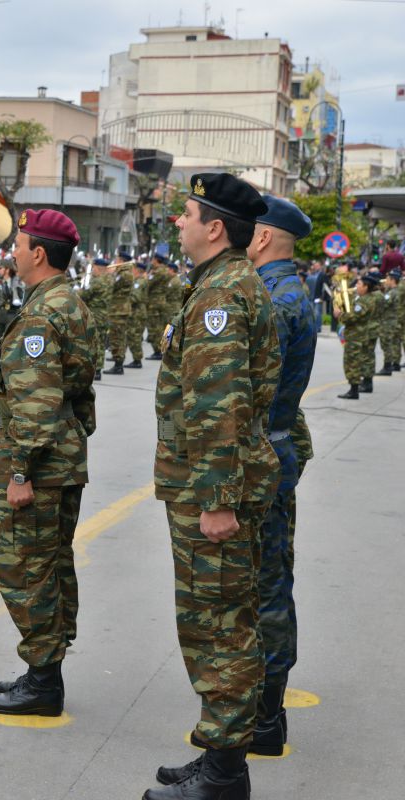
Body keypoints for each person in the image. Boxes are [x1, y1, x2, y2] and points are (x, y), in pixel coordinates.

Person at [147, 174, 279, 800]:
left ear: (216, 227)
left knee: (219, 626)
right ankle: (218, 755)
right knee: (213, 620)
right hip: (207, 486)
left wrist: (217, 500)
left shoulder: (221, 296)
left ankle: (225, 774)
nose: (179, 223)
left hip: (213, 492)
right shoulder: (216, 287)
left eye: (187, 213)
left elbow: (220, 405)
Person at [0, 208, 95, 718]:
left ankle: (44, 680)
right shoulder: (70, 304)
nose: (14, 253)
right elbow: (80, 396)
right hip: (63, 461)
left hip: (38, 468)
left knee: (27, 573)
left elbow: (36, 403)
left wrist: (20, 471)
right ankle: (44, 670)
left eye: (19, 245)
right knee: (52, 567)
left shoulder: (41, 317)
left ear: (39, 254)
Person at [240, 195, 317, 757]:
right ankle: (265, 711)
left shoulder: (275, 300)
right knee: (268, 582)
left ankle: (265, 716)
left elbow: (255, 393)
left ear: (263, 238)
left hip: (261, 460)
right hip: (277, 451)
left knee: (264, 587)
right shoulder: (290, 291)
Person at [335, 271, 379, 399]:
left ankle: (354, 390)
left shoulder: (364, 301)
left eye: (359, 283)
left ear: (366, 287)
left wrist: (339, 314)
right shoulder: (364, 299)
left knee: (352, 363)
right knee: (355, 362)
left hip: (356, 337)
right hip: (358, 335)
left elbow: (352, 317)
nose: (357, 286)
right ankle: (354, 388)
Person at [79, 258, 111, 380]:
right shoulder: (108, 280)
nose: (92, 270)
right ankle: (98, 369)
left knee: (94, 343)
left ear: (97, 268)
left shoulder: (97, 282)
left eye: (93, 268)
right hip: (103, 315)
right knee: (101, 343)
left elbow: (84, 296)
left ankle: (96, 370)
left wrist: (80, 289)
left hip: (96, 315)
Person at [102, 251, 133, 374]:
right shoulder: (123, 273)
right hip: (117, 309)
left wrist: (109, 274)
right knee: (117, 336)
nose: (115, 262)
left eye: (117, 260)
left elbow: (111, 286)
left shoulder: (124, 274)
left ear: (122, 260)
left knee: (117, 337)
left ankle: (118, 364)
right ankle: (117, 361)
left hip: (119, 310)